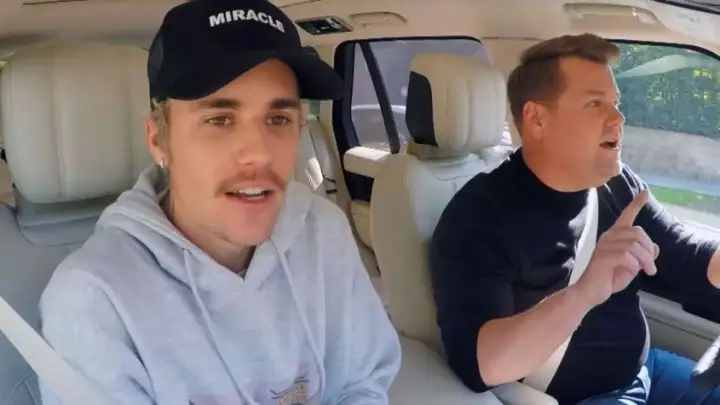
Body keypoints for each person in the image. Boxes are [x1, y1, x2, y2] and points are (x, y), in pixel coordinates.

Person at [38, 0, 401, 404]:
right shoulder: (92, 302)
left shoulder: (321, 229)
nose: (259, 153)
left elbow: (362, 384)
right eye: (220, 120)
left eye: (278, 119)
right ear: (158, 139)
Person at [429, 33, 720, 405]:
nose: (618, 118)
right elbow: (482, 365)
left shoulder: (618, 185)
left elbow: (687, 258)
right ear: (537, 119)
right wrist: (585, 291)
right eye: (595, 103)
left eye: (615, 103)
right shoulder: (477, 219)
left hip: (646, 371)